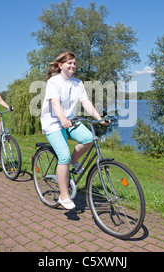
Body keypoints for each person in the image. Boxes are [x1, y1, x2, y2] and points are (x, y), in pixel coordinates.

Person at [40, 52, 110, 210]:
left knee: (89, 138)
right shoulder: (54, 82)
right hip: (53, 122)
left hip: (70, 120)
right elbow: (55, 103)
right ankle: (64, 196)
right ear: (60, 65)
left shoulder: (78, 83)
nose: (72, 66)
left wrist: (99, 118)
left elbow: (85, 102)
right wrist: (63, 120)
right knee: (63, 156)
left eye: (74, 63)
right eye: (69, 63)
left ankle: (75, 160)